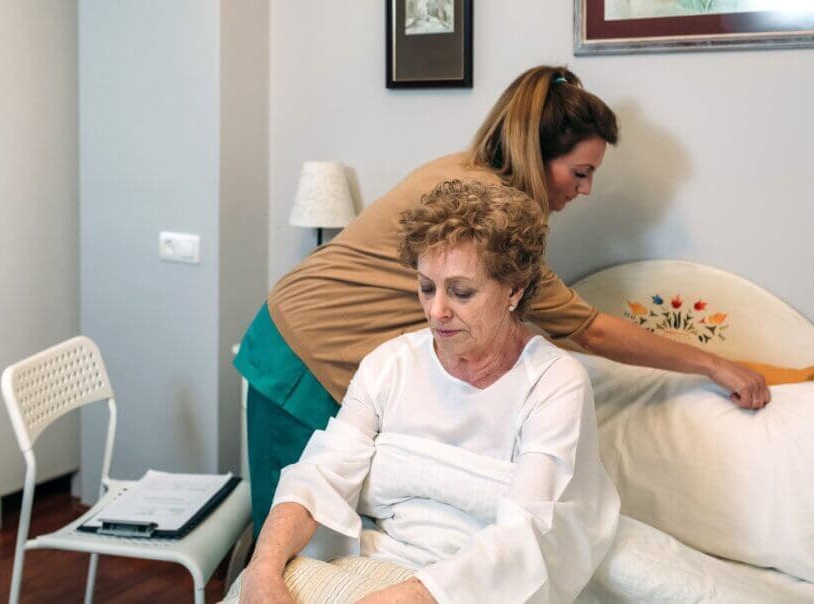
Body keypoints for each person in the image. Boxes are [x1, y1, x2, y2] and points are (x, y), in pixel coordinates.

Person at [234, 64, 769, 537]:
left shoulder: (469, 174)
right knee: (294, 532)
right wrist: (713, 363)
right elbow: (592, 330)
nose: (584, 192)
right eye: (579, 174)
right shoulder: (485, 210)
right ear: (538, 157)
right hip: (302, 344)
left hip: (314, 337)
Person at [236, 180, 620, 603]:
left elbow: (527, 533)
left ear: (514, 290)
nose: (437, 311)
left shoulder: (554, 383)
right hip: (374, 562)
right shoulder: (390, 364)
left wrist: (401, 598)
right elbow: (321, 474)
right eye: (426, 287)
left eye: (461, 292)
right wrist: (263, 570)